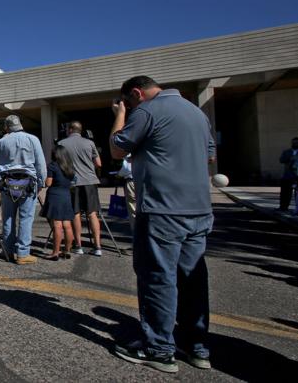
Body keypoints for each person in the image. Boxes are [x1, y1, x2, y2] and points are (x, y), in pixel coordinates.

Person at [109, 76, 216, 373]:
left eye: (127, 101)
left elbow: (118, 149)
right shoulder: (196, 113)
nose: (128, 106)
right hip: (198, 209)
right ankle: (197, 346)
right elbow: (210, 156)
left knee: (158, 277)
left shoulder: (147, 110)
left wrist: (120, 116)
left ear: (136, 93)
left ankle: (158, 348)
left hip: (161, 209)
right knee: (192, 278)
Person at [0, 115, 46, 264]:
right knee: (25, 218)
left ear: (6, 127)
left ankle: (8, 251)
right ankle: (22, 253)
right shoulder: (32, 139)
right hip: (28, 182)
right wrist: (41, 182)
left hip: (7, 183)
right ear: (20, 124)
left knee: (8, 217)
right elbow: (40, 164)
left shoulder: (1, 142)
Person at [59, 121, 103, 256]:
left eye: (67, 128)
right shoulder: (89, 143)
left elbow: (60, 165)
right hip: (90, 182)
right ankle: (97, 246)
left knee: (76, 214)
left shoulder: (62, 144)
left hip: (73, 183)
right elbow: (98, 163)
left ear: (71, 129)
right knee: (92, 214)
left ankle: (78, 245)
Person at [42, 145, 76, 260]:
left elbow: (48, 183)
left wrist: (44, 179)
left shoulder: (52, 166)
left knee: (57, 225)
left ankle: (55, 252)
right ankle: (67, 250)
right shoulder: (69, 167)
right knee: (67, 225)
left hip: (55, 196)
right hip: (66, 196)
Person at [278, 137, 298, 212]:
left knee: (297, 193)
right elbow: (281, 160)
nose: (295, 144)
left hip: (297, 175)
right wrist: (289, 158)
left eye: (296, 142)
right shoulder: (286, 151)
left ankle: (297, 209)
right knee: (285, 192)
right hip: (287, 175)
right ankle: (283, 207)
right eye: (293, 142)